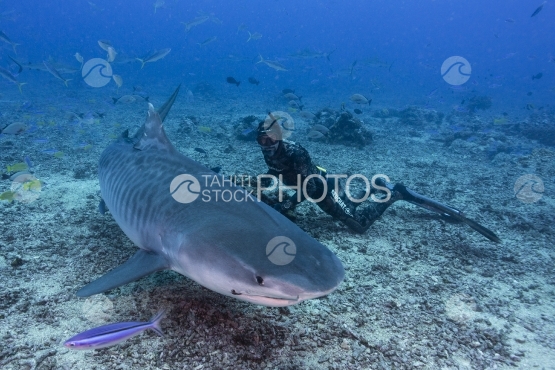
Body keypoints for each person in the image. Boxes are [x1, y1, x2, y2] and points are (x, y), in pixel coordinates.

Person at [255, 113, 500, 242]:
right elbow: (275, 173)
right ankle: (376, 187)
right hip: (313, 186)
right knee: (350, 207)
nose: (266, 145)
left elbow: (309, 185)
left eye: (270, 140)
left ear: (279, 138)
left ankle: (395, 193)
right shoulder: (270, 151)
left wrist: (285, 205)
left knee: (359, 224)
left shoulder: (295, 152)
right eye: (261, 140)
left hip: (322, 188)